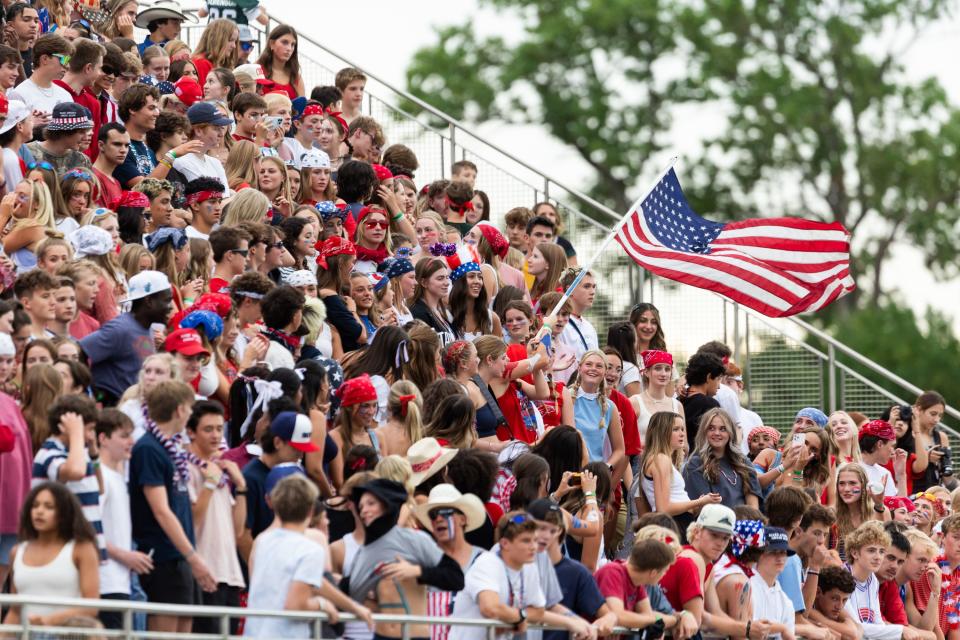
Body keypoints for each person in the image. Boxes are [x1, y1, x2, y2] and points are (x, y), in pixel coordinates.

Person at [131, 379, 215, 634]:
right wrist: (193, 556)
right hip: (162, 557)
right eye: (189, 409)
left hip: (180, 557)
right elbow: (161, 510)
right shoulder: (148, 448)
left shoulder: (172, 449)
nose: (190, 415)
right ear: (179, 410)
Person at [245, 473, 373, 638]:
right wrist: (322, 605)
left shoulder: (264, 541)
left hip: (255, 633)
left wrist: (353, 607)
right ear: (311, 510)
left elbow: (314, 581)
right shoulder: (309, 549)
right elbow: (295, 604)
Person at [346, 478, 465, 640]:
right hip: (380, 636)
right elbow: (350, 591)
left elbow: (456, 578)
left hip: (415, 636)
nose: (364, 511)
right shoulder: (365, 552)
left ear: (386, 504)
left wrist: (416, 571)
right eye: (361, 506)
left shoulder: (415, 540)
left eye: (371, 504)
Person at [449, 511, 583, 640]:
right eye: (526, 541)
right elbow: (490, 608)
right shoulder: (487, 563)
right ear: (505, 544)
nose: (533, 547)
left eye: (535, 540)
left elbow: (538, 611)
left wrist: (571, 621)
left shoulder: (529, 566)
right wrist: (520, 617)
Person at [1, 482, 100, 629]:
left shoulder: (81, 548)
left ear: (64, 513)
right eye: (35, 505)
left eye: (49, 507)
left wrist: (48, 621)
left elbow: (91, 607)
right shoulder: (17, 551)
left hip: (70, 635)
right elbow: (16, 610)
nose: (39, 511)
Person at [95, 409, 152, 630]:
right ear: (103, 438)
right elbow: (88, 529)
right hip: (104, 583)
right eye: (123, 435)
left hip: (118, 582)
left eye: (131, 435)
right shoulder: (101, 477)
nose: (131, 441)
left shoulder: (116, 477)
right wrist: (125, 556)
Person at [80, 271, 172, 407]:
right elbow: (80, 350)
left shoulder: (148, 330)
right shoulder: (120, 329)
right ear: (149, 301)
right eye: (167, 300)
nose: (170, 307)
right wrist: (94, 394)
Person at [412, 484, 488, 640]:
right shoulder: (422, 559)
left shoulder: (483, 560)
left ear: (462, 519)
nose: (438, 518)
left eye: (445, 512)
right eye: (433, 515)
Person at [682, 408, 761, 509]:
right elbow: (705, 509)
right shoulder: (695, 464)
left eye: (723, 429)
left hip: (745, 522)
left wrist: (747, 523)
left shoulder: (744, 462)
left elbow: (753, 507)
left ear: (730, 433)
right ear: (704, 432)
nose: (717, 433)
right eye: (711, 428)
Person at [843, 521, 906, 640]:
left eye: (882, 551)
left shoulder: (873, 580)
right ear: (855, 553)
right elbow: (857, 627)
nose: (878, 557)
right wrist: (900, 631)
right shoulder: (842, 577)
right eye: (871, 550)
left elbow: (877, 622)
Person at [751, 526, 799, 640]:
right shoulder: (746, 585)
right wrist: (781, 628)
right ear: (759, 554)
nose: (780, 558)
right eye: (773, 552)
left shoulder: (786, 601)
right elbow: (748, 629)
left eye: (783, 552)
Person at [10, 32, 72, 115]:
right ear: (45, 59)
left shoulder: (65, 95)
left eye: (68, 60)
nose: (67, 66)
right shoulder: (19, 94)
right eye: (64, 59)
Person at [679, 351, 726, 445]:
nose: (719, 386)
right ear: (708, 377)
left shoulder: (677, 401)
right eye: (718, 379)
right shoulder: (710, 404)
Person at [556, 267, 598, 361]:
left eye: (594, 287)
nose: (592, 292)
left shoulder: (590, 327)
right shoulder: (559, 324)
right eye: (587, 286)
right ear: (570, 289)